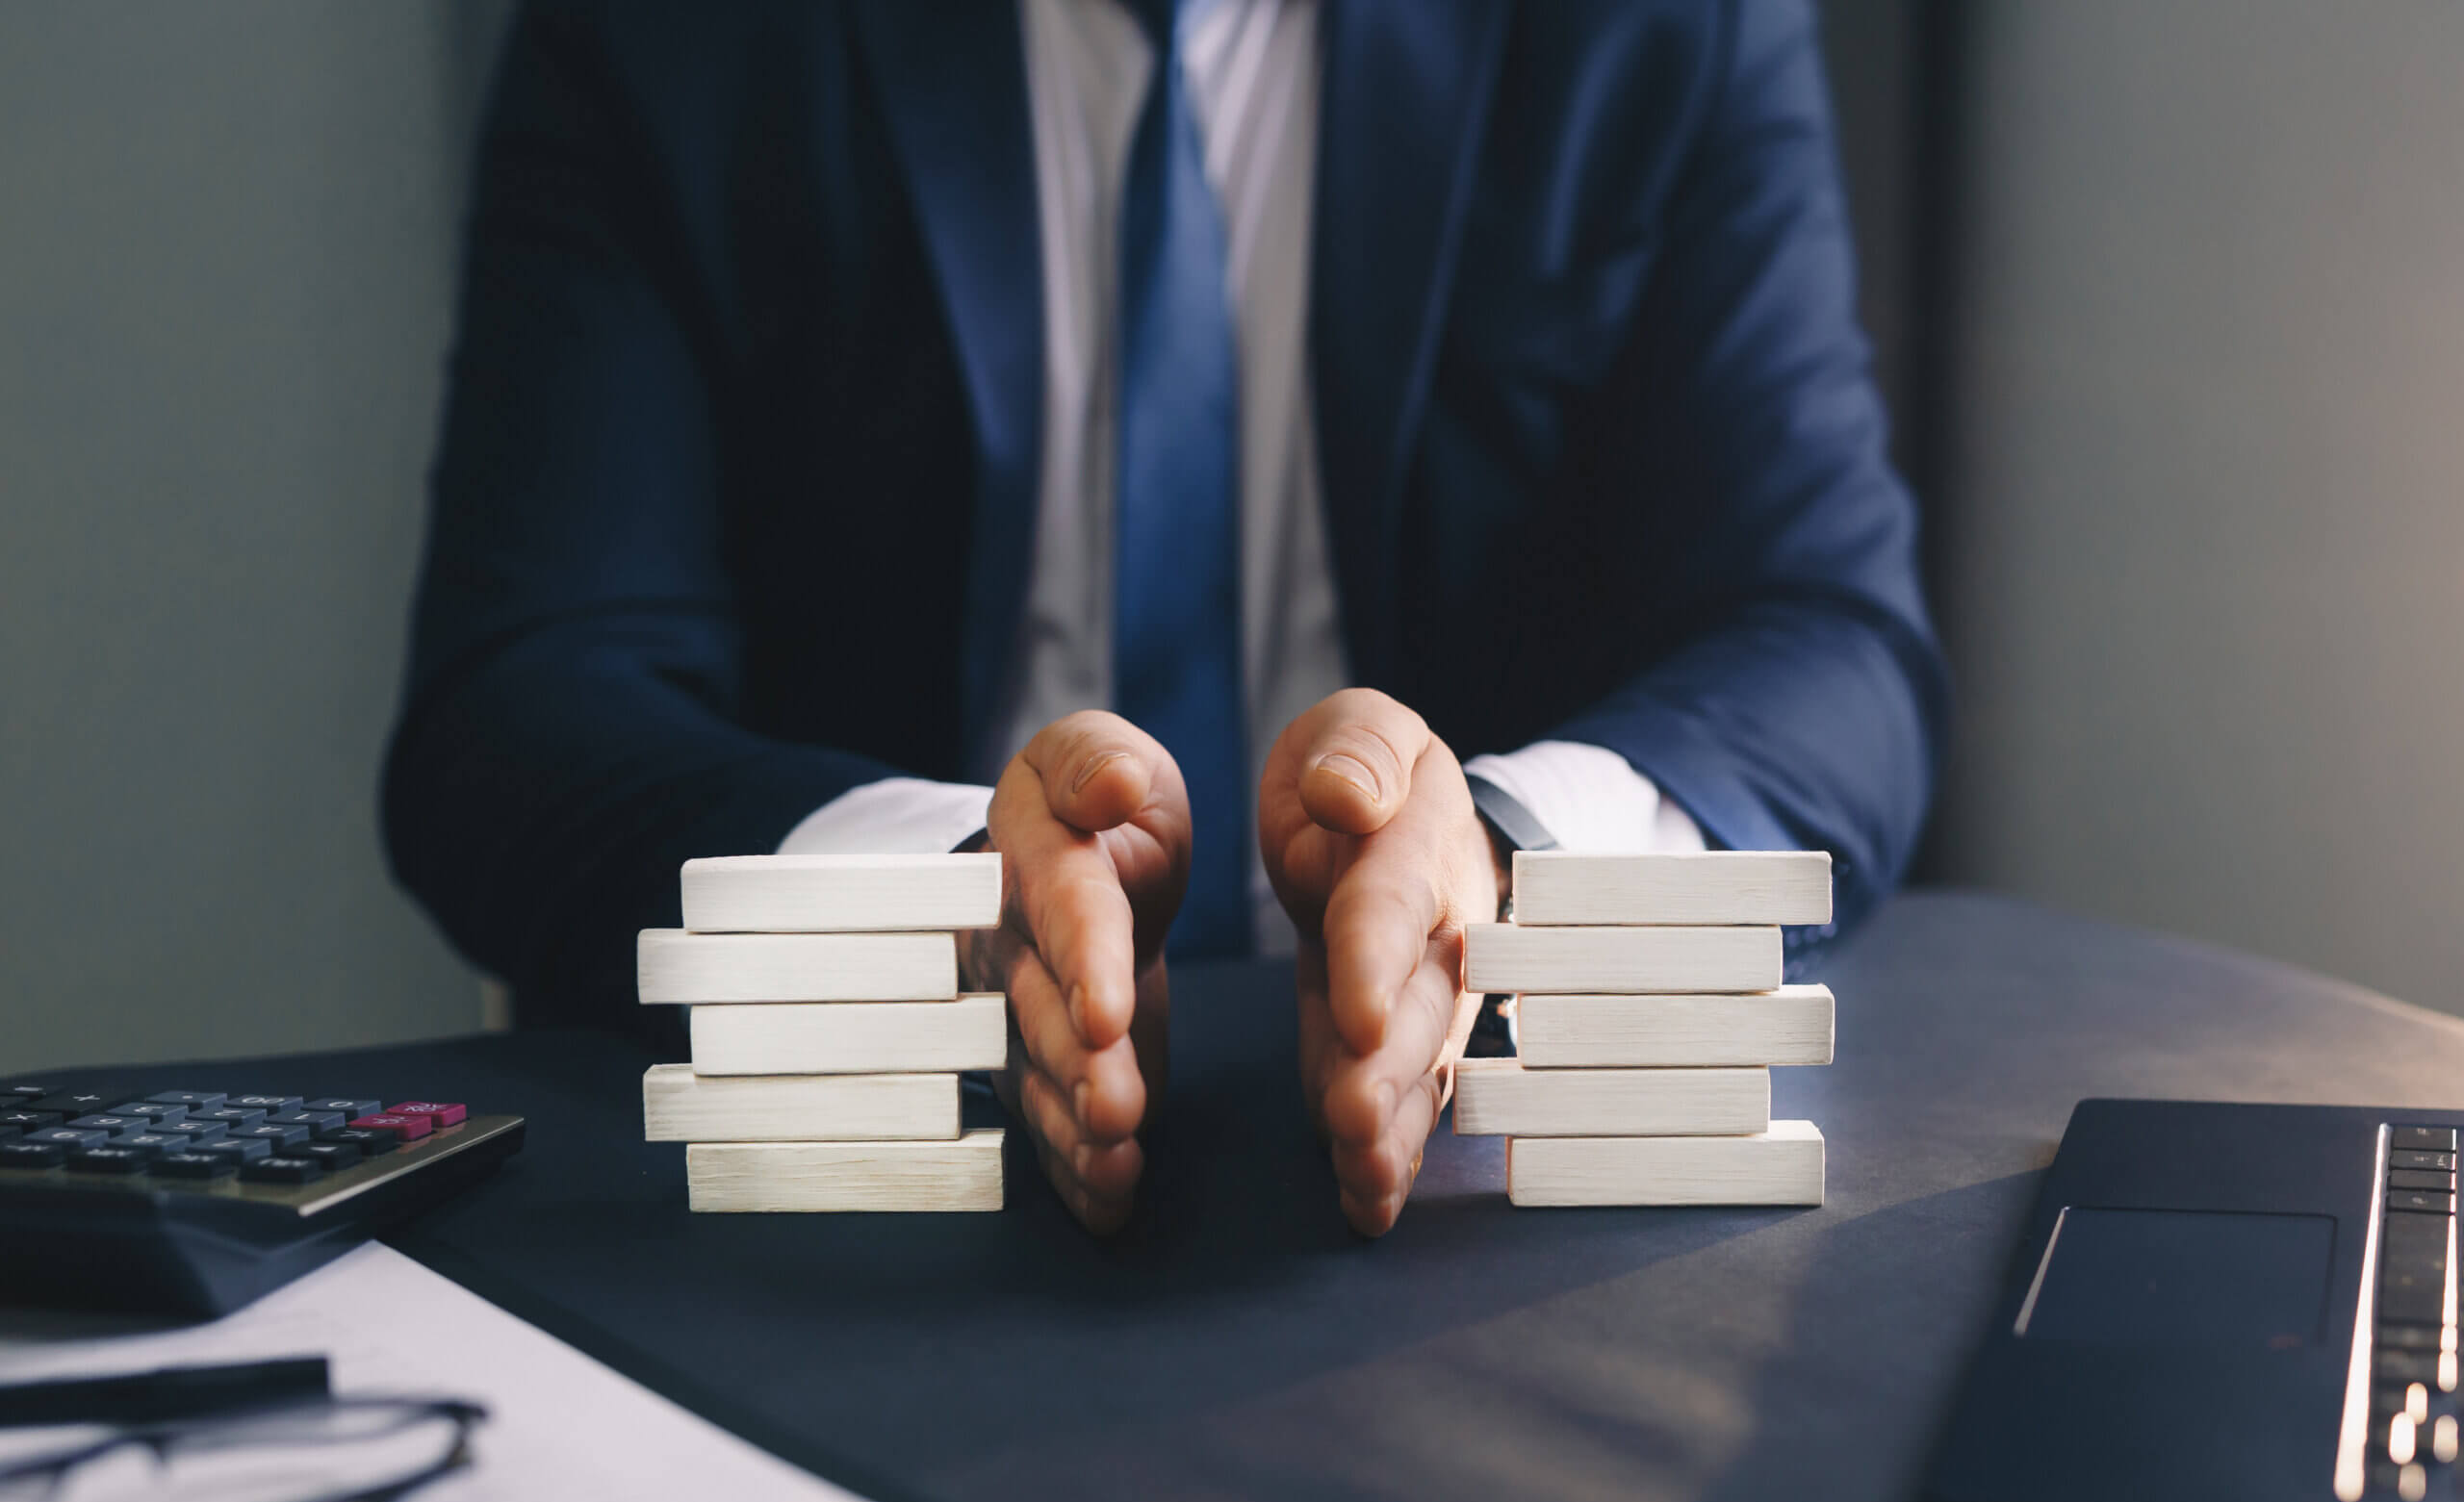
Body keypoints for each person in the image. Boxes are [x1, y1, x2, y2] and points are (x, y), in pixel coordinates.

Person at [384, 0, 1947, 1238]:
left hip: (1469, 1202)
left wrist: (1496, 858)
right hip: (886, 1212)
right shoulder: (670, 35)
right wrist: (946, 899)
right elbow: (521, 705)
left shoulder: (1663, 25)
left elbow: (1831, 645)